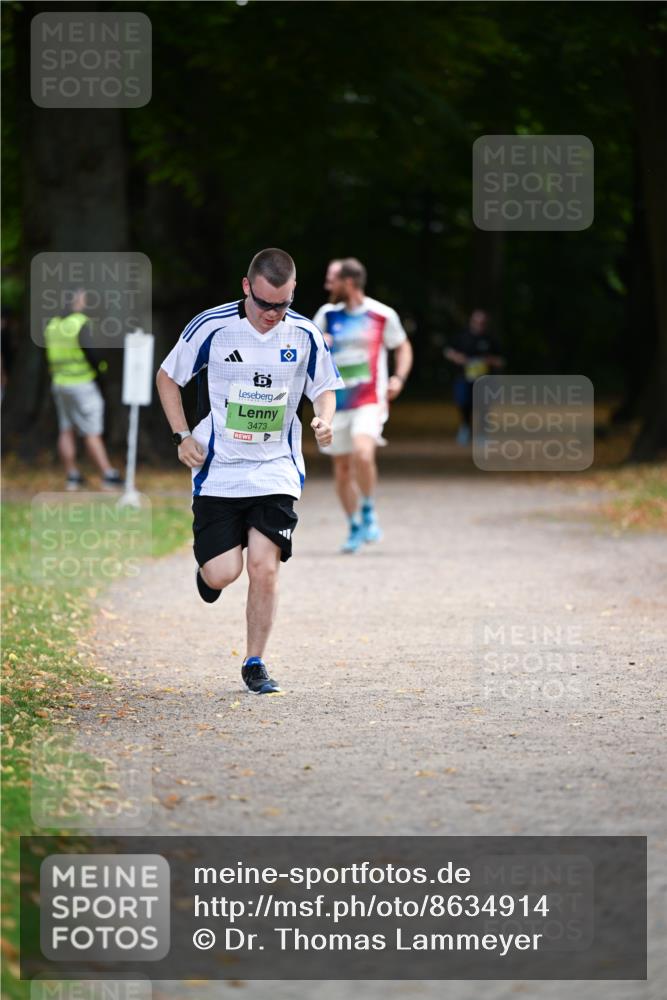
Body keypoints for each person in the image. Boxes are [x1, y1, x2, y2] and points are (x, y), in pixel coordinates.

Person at [156, 248, 342, 695]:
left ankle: (254, 662)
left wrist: (324, 419)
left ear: (293, 292)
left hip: (276, 468)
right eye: (263, 304)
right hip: (219, 469)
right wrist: (183, 436)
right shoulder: (213, 327)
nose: (272, 314)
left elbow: (325, 388)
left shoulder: (304, 334)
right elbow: (167, 377)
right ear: (246, 287)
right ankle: (208, 574)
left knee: (265, 566)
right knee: (225, 572)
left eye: (282, 304)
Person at [313, 257, 413, 553]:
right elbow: (307, 346)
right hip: (335, 403)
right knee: (342, 470)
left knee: (363, 452)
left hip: (370, 399)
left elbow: (403, 346)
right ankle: (354, 525)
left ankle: (368, 508)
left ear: (348, 282)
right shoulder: (327, 314)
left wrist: (399, 377)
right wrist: (322, 341)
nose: (327, 285)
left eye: (332, 280)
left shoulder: (381, 314)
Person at [45, 289, 123, 491]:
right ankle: (107, 474)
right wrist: (101, 372)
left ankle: (72, 476)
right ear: (75, 301)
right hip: (82, 383)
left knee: (66, 429)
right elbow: (91, 353)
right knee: (92, 430)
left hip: (59, 382)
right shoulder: (80, 322)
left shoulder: (53, 324)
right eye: (82, 299)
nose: (85, 302)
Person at [444, 309, 504, 445]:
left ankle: (482, 433)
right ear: (471, 322)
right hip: (464, 378)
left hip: (485, 380)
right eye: (477, 322)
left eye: (482, 323)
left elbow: (500, 360)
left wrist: (490, 360)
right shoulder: (462, 337)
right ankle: (465, 427)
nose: (479, 325)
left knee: (484, 406)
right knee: (464, 403)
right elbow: (448, 351)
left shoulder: (491, 339)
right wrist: (457, 357)